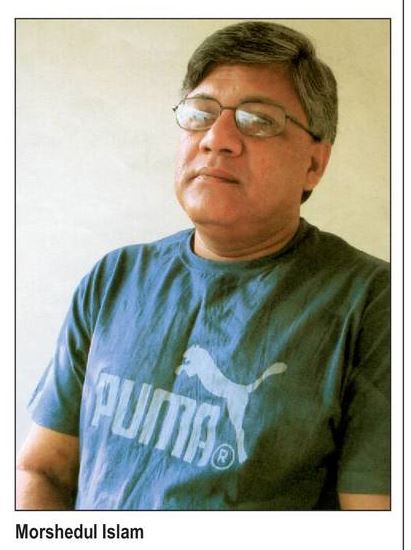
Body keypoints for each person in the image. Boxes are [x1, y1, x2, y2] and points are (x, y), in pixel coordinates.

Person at [16, 20, 390, 511]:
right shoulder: (114, 279)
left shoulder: (373, 304)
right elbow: (43, 469)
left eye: (258, 120)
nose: (218, 138)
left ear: (314, 164)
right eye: (200, 113)